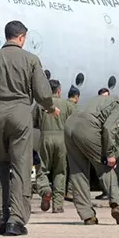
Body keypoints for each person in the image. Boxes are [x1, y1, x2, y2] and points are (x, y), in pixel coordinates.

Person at [0, 20, 55, 237]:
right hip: (21, 113)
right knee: (21, 167)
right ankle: (16, 219)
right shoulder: (30, 59)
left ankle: (1, 217)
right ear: (21, 37)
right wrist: (49, 108)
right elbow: (43, 93)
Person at [65, 92, 119, 225]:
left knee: (77, 171)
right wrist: (109, 155)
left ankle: (87, 216)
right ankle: (115, 204)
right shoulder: (118, 106)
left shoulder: (101, 99)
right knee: (105, 167)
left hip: (69, 125)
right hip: (87, 127)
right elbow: (108, 128)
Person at [33, 79, 72, 213]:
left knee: (42, 169)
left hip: (45, 138)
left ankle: (45, 190)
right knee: (60, 172)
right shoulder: (67, 105)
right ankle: (58, 205)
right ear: (59, 91)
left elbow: (32, 122)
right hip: (62, 139)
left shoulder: (40, 104)